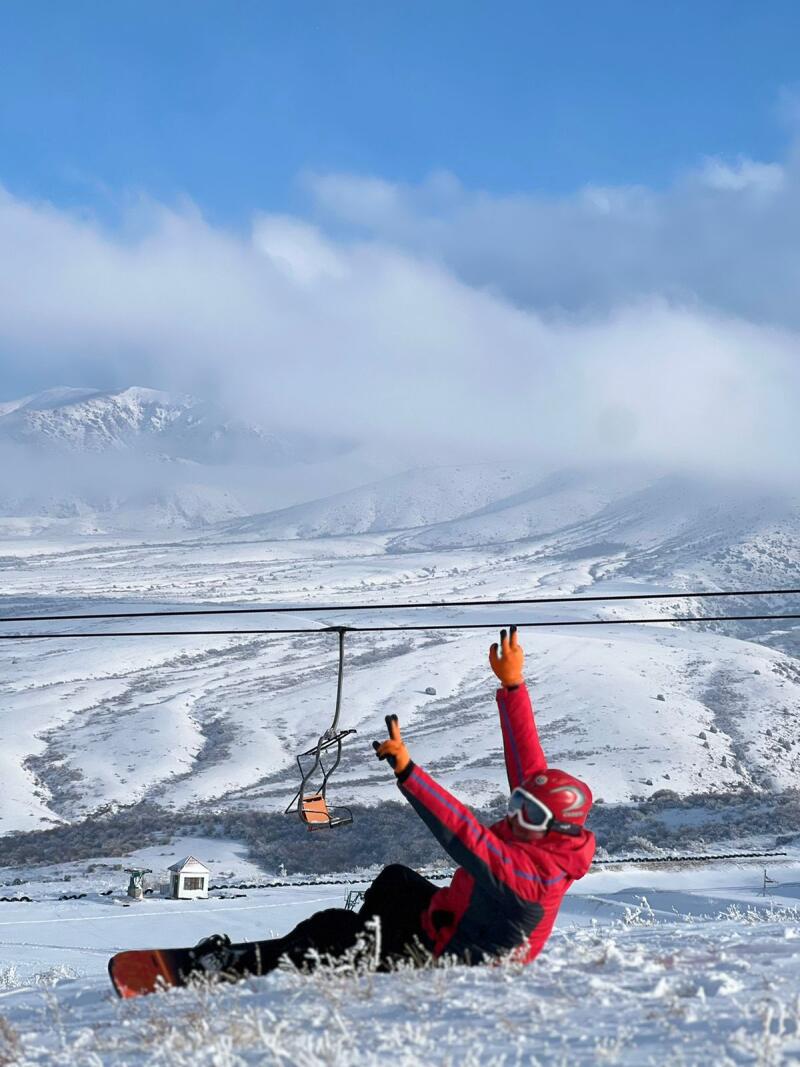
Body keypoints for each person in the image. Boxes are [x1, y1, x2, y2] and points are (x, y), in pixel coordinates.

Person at [190, 626, 595, 978]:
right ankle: (367, 953)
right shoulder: (542, 838)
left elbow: (465, 837)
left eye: (528, 811)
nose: (515, 814)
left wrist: (409, 772)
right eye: (517, 802)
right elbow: (527, 759)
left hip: (455, 962)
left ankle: (247, 966)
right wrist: (513, 688)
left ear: (556, 828)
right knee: (395, 881)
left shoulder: (530, 878)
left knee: (331, 928)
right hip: (454, 922)